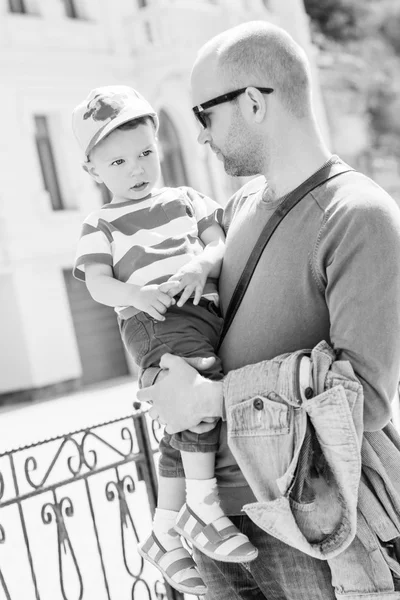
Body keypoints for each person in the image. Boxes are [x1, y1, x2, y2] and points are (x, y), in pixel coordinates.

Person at [137, 21, 400, 600]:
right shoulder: (235, 209)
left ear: (253, 102)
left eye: (204, 115)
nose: (199, 136)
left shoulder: (359, 215)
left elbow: (369, 399)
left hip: (304, 523)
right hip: (213, 529)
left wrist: (209, 399)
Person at [71, 85, 258, 597]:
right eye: (119, 161)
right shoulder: (100, 222)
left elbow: (218, 239)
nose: (137, 168)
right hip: (153, 315)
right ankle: (202, 507)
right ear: (93, 171)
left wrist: (204, 261)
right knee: (194, 385)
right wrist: (133, 291)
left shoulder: (185, 199)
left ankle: (162, 533)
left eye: (147, 153)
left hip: (200, 313)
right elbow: (94, 281)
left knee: (182, 413)